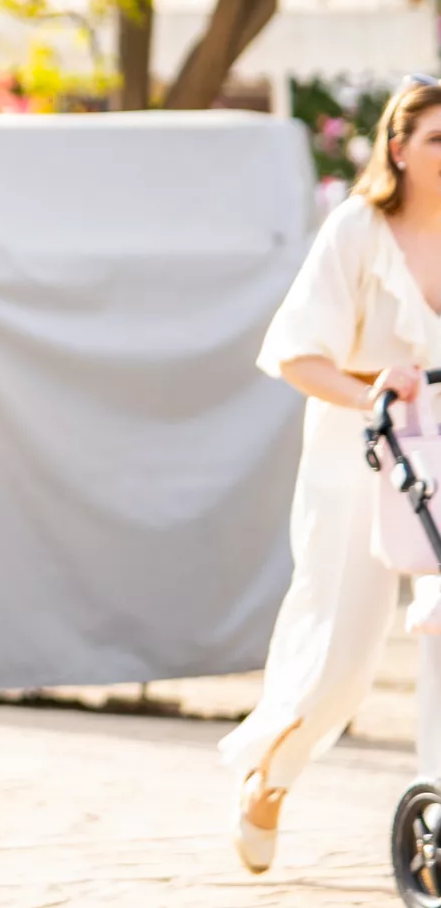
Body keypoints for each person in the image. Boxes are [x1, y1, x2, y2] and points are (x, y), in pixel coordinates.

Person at [223, 77, 441, 873]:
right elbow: (294, 353)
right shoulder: (359, 229)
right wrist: (370, 391)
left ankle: (436, 800)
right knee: (340, 664)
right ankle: (269, 778)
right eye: (436, 140)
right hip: (361, 449)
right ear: (398, 148)